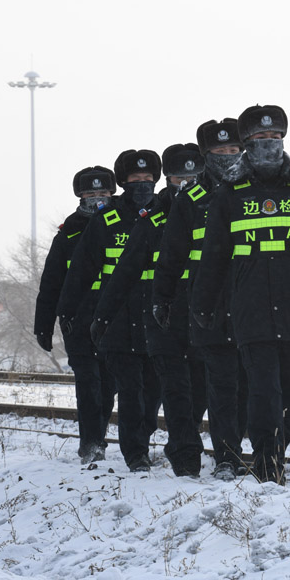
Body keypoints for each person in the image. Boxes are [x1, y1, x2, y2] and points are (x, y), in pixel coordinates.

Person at [191, 105, 290, 483]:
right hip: (251, 308)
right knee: (263, 390)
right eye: (261, 139)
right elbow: (213, 254)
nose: (269, 146)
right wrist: (204, 304)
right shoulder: (230, 194)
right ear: (247, 144)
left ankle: (276, 439)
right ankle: (266, 459)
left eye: (275, 138)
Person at [93, 144, 206, 478]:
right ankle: (161, 453)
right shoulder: (151, 218)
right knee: (154, 393)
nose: (185, 184)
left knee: (192, 391)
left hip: (198, 319)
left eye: (192, 177)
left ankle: (183, 444)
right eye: (178, 177)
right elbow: (123, 270)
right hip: (153, 321)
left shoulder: (211, 209)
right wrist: (101, 317)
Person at [152, 119, 249, 481]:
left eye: (232, 149)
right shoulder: (190, 199)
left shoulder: (252, 189)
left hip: (250, 302)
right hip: (205, 305)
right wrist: (162, 297)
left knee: (252, 386)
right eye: (219, 151)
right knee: (221, 385)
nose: (228, 156)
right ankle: (226, 457)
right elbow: (172, 254)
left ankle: (246, 447)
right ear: (205, 155)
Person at [57, 149, 163, 473]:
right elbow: (81, 272)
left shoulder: (167, 214)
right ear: (123, 182)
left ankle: (142, 439)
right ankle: (136, 454)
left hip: (158, 322)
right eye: (135, 179)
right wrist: (68, 313)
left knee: (153, 392)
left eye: (148, 179)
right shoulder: (107, 221)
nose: (142, 184)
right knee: (130, 392)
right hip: (118, 322)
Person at [33, 166, 117, 464]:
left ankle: (98, 437)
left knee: (108, 385)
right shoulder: (68, 232)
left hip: (115, 320)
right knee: (88, 382)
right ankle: (91, 444)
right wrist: (43, 325)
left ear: (113, 194)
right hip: (76, 320)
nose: (97, 199)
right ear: (80, 196)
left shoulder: (123, 225)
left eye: (103, 194)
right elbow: (51, 282)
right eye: (91, 194)